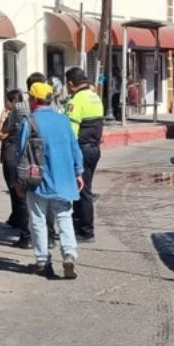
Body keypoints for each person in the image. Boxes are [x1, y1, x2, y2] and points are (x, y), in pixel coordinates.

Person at [19, 81, 84, 279]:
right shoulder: (63, 120)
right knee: (64, 216)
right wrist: (78, 172)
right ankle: (69, 254)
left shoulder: (29, 122)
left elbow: (21, 154)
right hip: (64, 179)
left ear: (34, 99)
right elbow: (74, 148)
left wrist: (19, 182)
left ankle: (42, 262)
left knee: (38, 220)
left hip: (38, 181)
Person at [65, 67, 104, 242]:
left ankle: (86, 231)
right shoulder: (95, 97)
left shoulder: (76, 100)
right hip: (94, 149)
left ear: (70, 83)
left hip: (81, 149)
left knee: (83, 190)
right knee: (83, 187)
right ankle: (79, 226)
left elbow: (71, 132)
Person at [0, 85, 31, 248]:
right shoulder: (29, 114)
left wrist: (2, 118)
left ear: (12, 102)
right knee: (22, 194)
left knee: (16, 192)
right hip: (25, 157)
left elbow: (1, 134)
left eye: (7, 101)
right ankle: (17, 219)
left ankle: (23, 229)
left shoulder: (13, 115)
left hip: (11, 155)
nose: (5, 104)